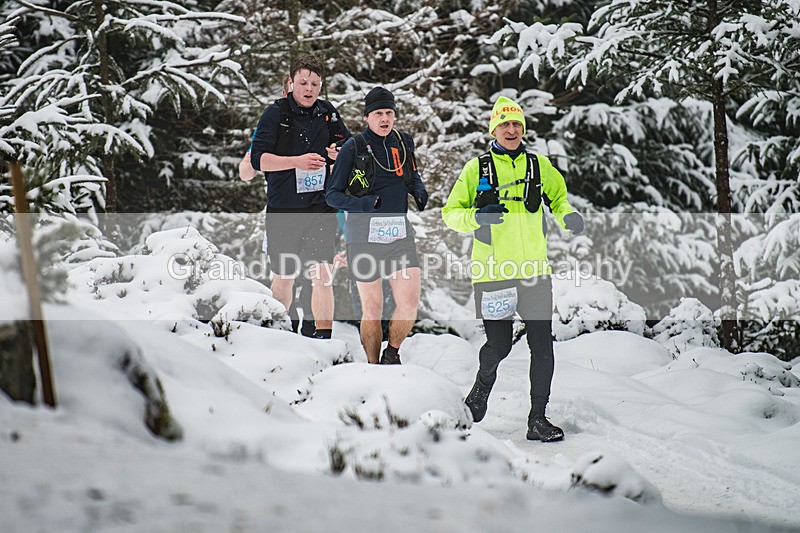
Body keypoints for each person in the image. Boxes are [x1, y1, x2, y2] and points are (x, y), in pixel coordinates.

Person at [442, 95, 585, 442]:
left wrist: (568, 216)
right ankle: (481, 387)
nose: (511, 129)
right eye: (504, 124)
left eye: (516, 124)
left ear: (523, 129)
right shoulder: (477, 168)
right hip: (493, 273)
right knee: (500, 345)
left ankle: (537, 419)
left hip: (535, 272)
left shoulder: (538, 166)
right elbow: (450, 213)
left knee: (542, 346)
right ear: (494, 128)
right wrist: (476, 216)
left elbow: (559, 198)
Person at [244, 55, 350, 339]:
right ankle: (277, 335)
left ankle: (323, 338)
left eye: (315, 84)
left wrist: (338, 154)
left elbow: (348, 148)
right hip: (284, 209)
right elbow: (259, 161)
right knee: (285, 275)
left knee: (322, 276)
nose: (309, 89)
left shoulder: (328, 112)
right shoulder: (275, 114)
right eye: (303, 82)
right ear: (291, 83)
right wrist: (296, 162)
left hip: (321, 208)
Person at [326, 87, 428, 364]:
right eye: (379, 113)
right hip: (363, 237)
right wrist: (365, 204)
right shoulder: (353, 147)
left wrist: (418, 190)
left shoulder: (404, 142)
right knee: (372, 308)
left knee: (409, 301)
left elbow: (412, 174)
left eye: (389, 113)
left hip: (399, 236)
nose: (385, 119)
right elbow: (332, 195)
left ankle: (392, 352)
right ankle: (372, 367)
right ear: (367, 116)